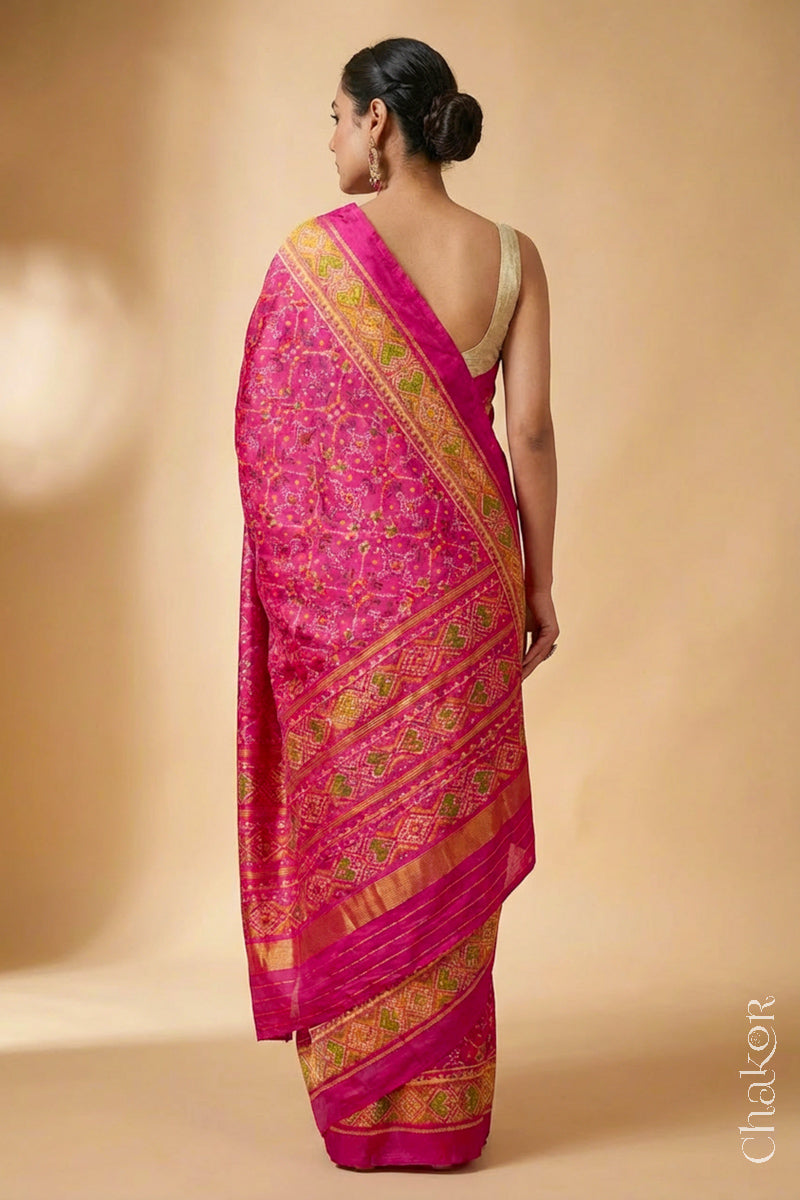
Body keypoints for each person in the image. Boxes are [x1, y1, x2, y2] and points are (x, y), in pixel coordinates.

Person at [234, 36, 558, 1171]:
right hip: (470, 592)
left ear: (378, 120)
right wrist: (539, 580)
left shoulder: (310, 262)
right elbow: (529, 433)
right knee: (443, 832)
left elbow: (271, 449)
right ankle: (446, 1114)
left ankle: (366, 1113)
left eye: (334, 115)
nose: (329, 138)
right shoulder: (512, 256)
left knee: (362, 831)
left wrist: (306, 588)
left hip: (346, 617)